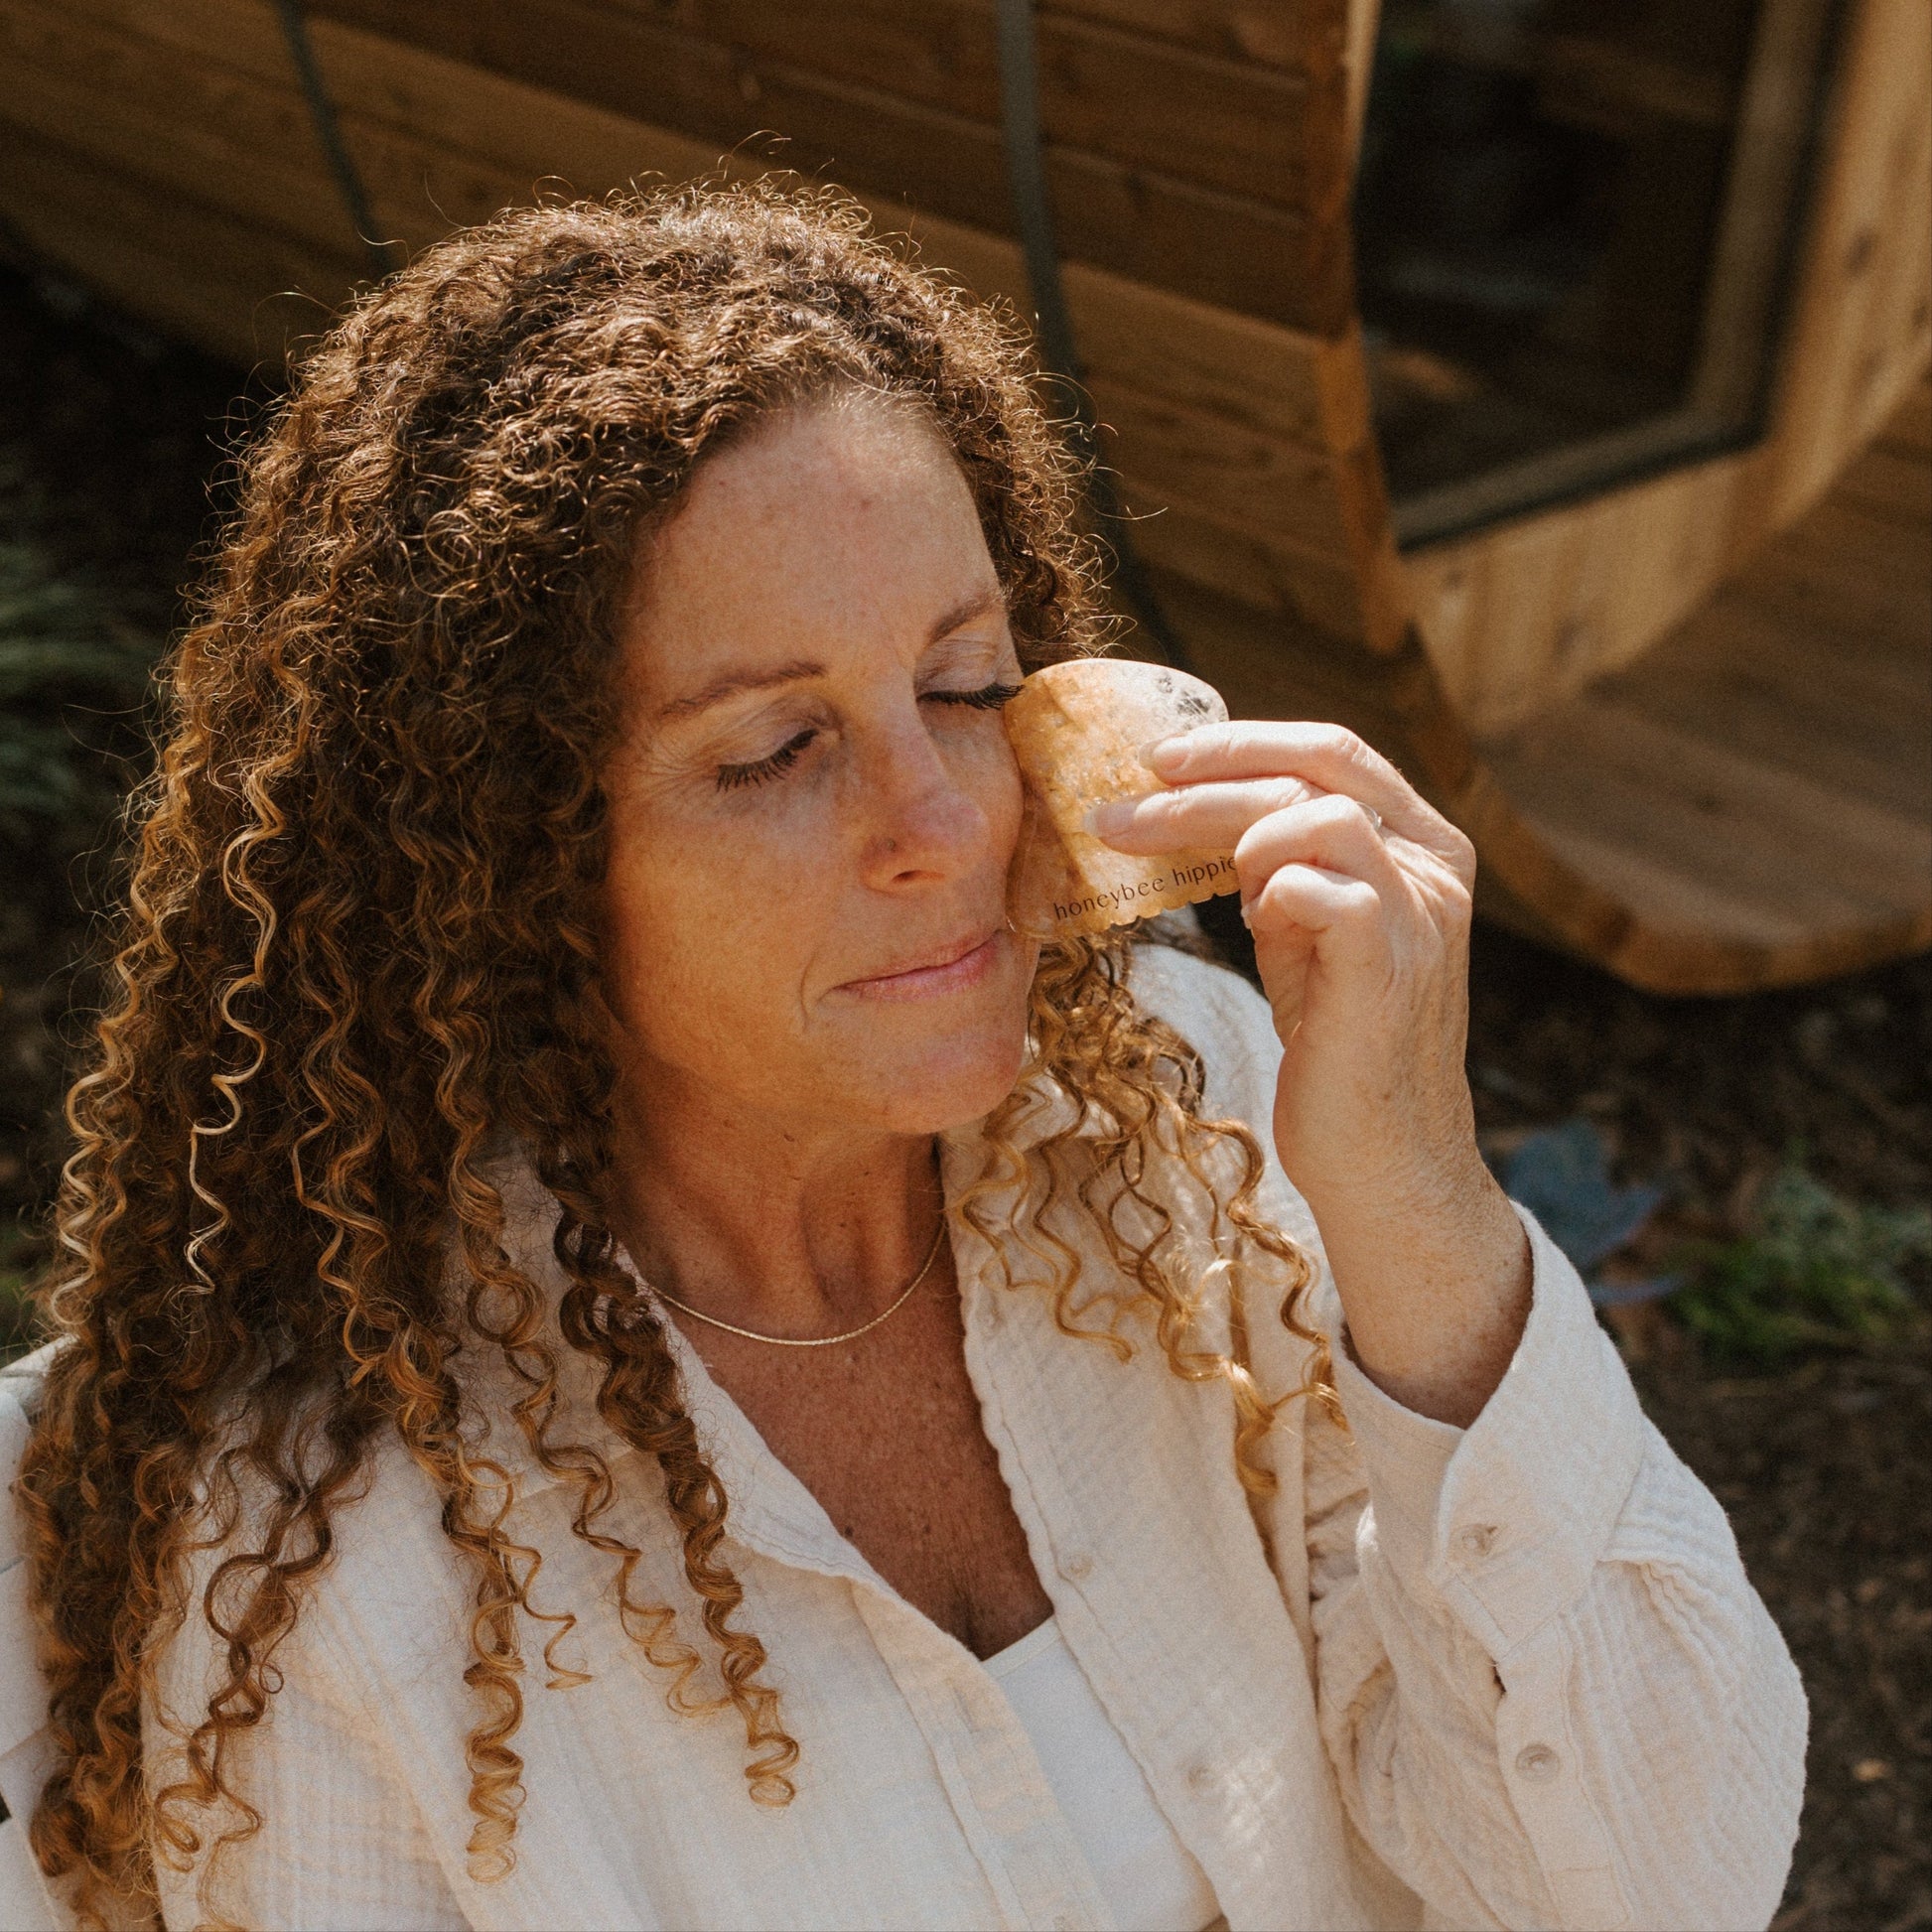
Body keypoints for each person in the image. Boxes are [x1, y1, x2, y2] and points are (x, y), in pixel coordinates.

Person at [0, 186, 1804, 1932]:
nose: (937, 817)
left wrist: (1418, 1201)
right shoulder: (330, 1534)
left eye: (961, 680)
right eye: (775, 747)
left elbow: (1657, 1884)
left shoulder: (1197, 1115)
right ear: (505, 858)